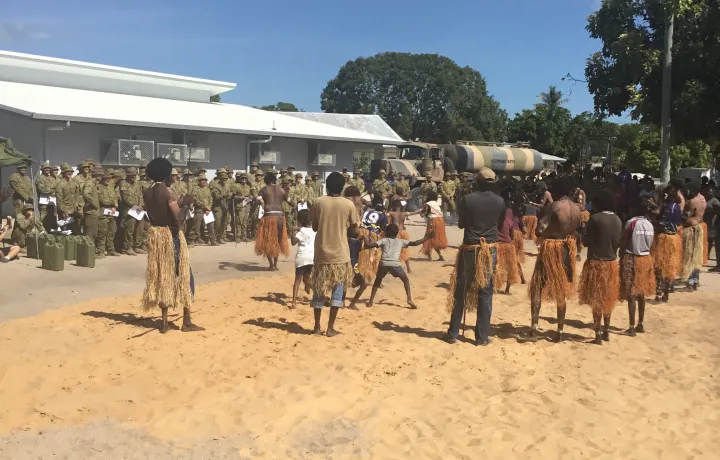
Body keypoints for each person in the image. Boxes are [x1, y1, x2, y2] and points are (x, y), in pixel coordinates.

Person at [141, 157, 202, 333]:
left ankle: (164, 322)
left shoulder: (148, 192)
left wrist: (180, 202)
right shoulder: (167, 192)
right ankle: (187, 321)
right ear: (166, 175)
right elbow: (179, 218)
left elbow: (159, 213)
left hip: (157, 236)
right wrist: (187, 204)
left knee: (163, 276)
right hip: (172, 236)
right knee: (184, 275)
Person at [444, 168, 505, 346]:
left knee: (461, 289)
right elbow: (499, 227)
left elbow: (462, 224)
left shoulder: (467, 200)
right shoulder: (500, 201)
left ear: (477, 182)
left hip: (470, 248)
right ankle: (481, 338)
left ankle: (453, 333)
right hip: (489, 250)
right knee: (485, 293)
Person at [528, 177, 582, 342]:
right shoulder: (577, 209)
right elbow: (578, 232)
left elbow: (539, 230)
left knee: (537, 286)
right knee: (561, 289)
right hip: (566, 249)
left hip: (551, 249)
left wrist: (542, 229)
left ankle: (534, 327)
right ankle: (559, 330)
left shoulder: (554, 206)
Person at [309, 172, 358, 337]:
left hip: (321, 252)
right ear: (342, 187)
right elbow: (354, 231)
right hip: (340, 253)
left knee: (319, 289)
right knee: (338, 290)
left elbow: (315, 227)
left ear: (327, 186)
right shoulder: (349, 204)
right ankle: (330, 328)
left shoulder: (318, 202)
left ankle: (316, 327)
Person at [578, 189, 622, 345]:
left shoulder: (595, 219)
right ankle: (607, 330)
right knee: (607, 298)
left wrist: (582, 231)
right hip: (611, 264)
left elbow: (586, 242)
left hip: (596, 264)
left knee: (596, 299)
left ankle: (597, 334)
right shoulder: (617, 219)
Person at [358, 223, 432, 309]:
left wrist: (365, 237)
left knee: (377, 281)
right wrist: (426, 238)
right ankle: (409, 299)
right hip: (395, 265)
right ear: (397, 233)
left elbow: (368, 246)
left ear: (386, 233)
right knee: (405, 280)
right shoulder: (401, 241)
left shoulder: (384, 240)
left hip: (383, 264)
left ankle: (371, 301)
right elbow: (415, 243)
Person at [619, 198, 656, 337]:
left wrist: (621, 254)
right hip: (646, 259)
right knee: (642, 293)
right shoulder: (650, 225)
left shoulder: (631, 223)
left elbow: (624, 240)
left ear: (634, 209)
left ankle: (631, 327)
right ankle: (641, 323)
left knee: (631, 294)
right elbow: (651, 245)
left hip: (632, 258)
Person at [652, 185, 682, 302]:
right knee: (668, 267)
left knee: (659, 266)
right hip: (674, 239)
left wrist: (654, 214)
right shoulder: (677, 207)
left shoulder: (666, 207)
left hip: (663, 239)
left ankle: (659, 293)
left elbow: (661, 222)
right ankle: (666, 293)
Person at [256, 172, 290, 271]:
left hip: (268, 216)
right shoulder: (282, 190)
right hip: (280, 217)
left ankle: (271, 265)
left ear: (266, 181)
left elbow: (258, 200)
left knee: (267, 241)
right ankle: (275, 264)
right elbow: (291, 202)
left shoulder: (263, 190)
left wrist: (259, 200)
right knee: (278, 241)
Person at [680, 182, 706, 290]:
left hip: (691, 229)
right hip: (699, 227)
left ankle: (690, 282)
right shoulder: (702, 199)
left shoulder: (691, 201)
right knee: (696, 255)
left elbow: (687, 215)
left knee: (690, 256)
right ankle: (695, 280)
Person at [495, 195, 521, 295]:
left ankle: (493, 286)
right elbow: (513, 236)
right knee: (510, 268)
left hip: (496, 245)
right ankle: (507, 290)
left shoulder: (495, 220)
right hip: (507, 246)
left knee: (494, 266)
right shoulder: (509, 221)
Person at [290, 209, 315, 310]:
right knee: (307, 279)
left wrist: (293, 231)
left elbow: (293, 242)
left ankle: (294, 302)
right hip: (312, 258)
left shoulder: (301, 231)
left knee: (297, 280)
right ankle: (318, 292)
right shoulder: (314, 230)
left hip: (302, 257)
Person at [120, 167, 145, 255]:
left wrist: (141, 205)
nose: (134, 177)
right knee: (129, 229)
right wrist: (134, 205)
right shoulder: (123, 183)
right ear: (128, 176)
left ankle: (137, 246)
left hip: (138, 209)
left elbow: (141, 195)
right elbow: (125, 197)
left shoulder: (138, 184)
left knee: (139, 228)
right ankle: (128, 247)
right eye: (132, 175)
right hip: (129, 210)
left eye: (135, 175)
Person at [387, 199, 415, 273]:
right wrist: (422, 210)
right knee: (404, 250)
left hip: (395, 233)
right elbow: (414, 212)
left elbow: (384, 215)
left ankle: (391, 267)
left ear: (393, 206)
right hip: (403, 232)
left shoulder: (391, 213)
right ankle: (408, 268)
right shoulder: (404, 213)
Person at [420, 191, 448, 261]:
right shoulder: (436, 203)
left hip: (433, 221)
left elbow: (422, 214)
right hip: (440, 221)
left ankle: (430, 258)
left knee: (428, 239)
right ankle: (440, 256)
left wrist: (421, 212)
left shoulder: (427, 204)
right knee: (435, 239)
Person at [97, 169, 119, 257]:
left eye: (108, 178)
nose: (107, 180)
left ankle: (111, 249)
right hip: (103, 212)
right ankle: (101, 250)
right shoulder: (99, 187)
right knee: (103, 232)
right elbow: (103, 200)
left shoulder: (110, 187)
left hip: (112, 212)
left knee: (112, 231)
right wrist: (113, 203)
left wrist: (114, 206)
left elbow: (114, 197)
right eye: (105, 178)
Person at [191, 173, 217, 246]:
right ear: (199, 181)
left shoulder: (207, 189)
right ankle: (195, 240)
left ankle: (213, 240)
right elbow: (195, 199)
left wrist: (209, 207)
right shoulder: (195, 189)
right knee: (196, 227)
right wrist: (205, 206)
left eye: (205, 180)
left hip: (207, 211)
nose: (203, 181)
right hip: (199, 210)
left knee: (211, 226)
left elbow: (211, 198)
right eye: (202, 180)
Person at [231, 172, 253, 242]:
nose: (244, 179)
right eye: (242, 178)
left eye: (245, 178)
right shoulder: (236, 186)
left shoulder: (248, 186)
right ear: (240, 179)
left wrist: (250, 197)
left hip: (247, 205)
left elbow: (251, 194)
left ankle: (244, 236)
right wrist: (240, 197)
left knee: (245, 222)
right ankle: (238, 236)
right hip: (240, 206)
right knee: (239, 222)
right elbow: (232, 197)